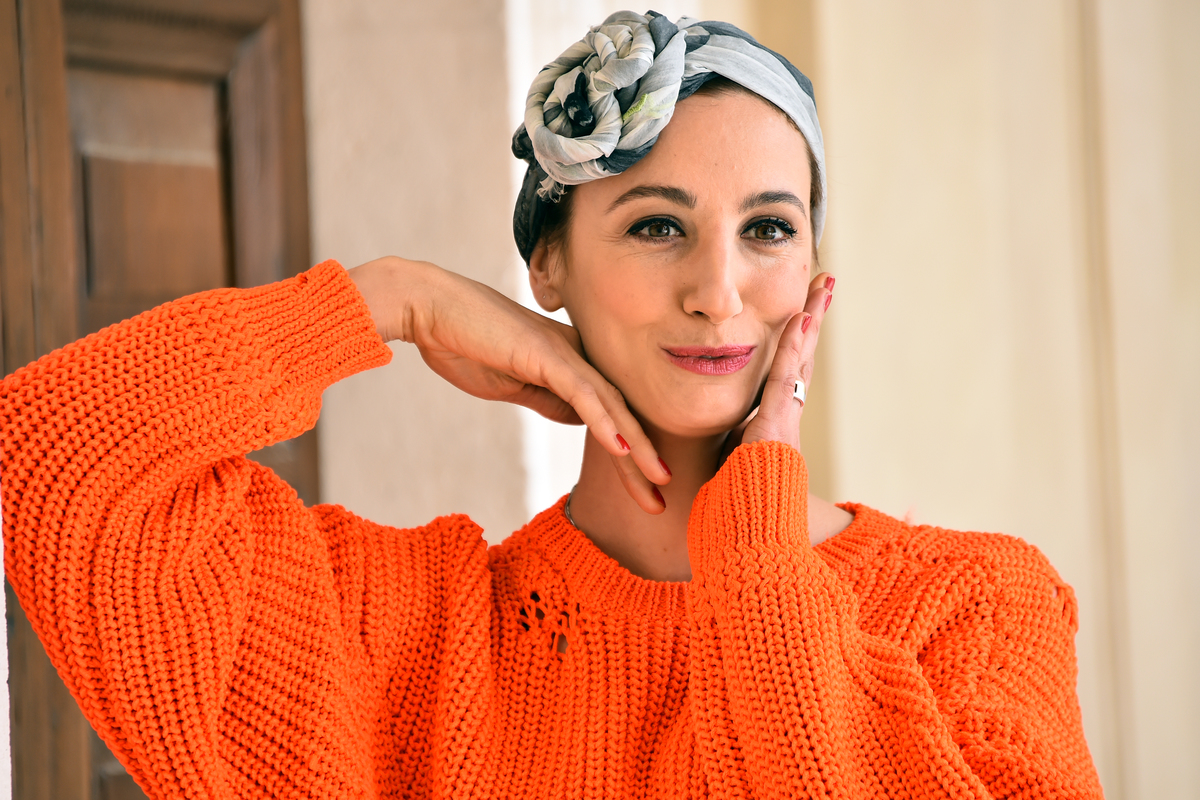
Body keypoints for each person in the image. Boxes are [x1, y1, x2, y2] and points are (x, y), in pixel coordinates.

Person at [1, 11, 1102, 800]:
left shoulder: (978, 606)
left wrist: (757, 552)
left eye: (768, 227)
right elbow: (54, 453)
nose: (719, 291)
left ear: (815, 260)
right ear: (550, 267)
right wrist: (395, 299)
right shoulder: (419, 636)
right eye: (655, 224)